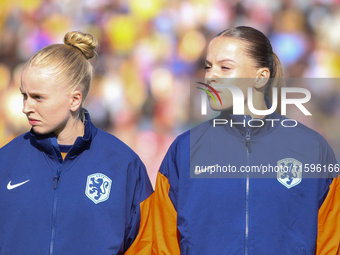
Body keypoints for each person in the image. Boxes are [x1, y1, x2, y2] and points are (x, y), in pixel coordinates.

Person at [152, 26, 340, 254]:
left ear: (261, 77)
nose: (211, 76)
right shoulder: (184, 150)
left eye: (225, 67)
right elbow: (162, 243)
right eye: (208, 66)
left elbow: (331, 243)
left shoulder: (312, 149)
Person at [0, 31, 153, 254]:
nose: (26, 107)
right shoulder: (6, 161)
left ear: (74, 100)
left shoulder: (123, 164)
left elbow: (147, 244)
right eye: (24, 95)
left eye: (38, 97)